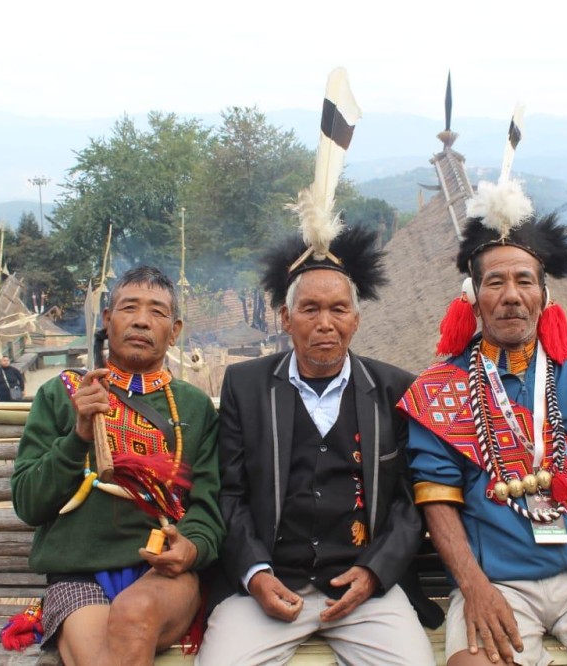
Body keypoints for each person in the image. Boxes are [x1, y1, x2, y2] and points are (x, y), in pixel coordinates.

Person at [199, 67, 439, 664]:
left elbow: (412, 502)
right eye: (309, 309)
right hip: (267, 590)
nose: (325, 322)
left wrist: (375, 573)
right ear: (286, 318)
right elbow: (230, 494)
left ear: (357, 321)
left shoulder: (393, 390)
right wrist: (254, 573)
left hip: (366, 592)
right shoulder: (246, 386)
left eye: (338, 309)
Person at [399, 177, 567, 666]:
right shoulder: (438, 390)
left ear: (543, 294)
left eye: (524, 280)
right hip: (496, 580)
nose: (511, 295)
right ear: (474, 297)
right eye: (496, 282)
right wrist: (475, 588)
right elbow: (438, 504)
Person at [11, 266, 225, 665]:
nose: (142, 320)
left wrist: (191, 548)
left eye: (157, 312)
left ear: (174, 330)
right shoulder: (62, 395)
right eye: (129, 307)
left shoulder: (194, 408)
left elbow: (208, 506)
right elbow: (28, 503)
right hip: (78, 576)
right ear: (108, 320)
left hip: (164, 578)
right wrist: (77, 439)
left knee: (134, 613)